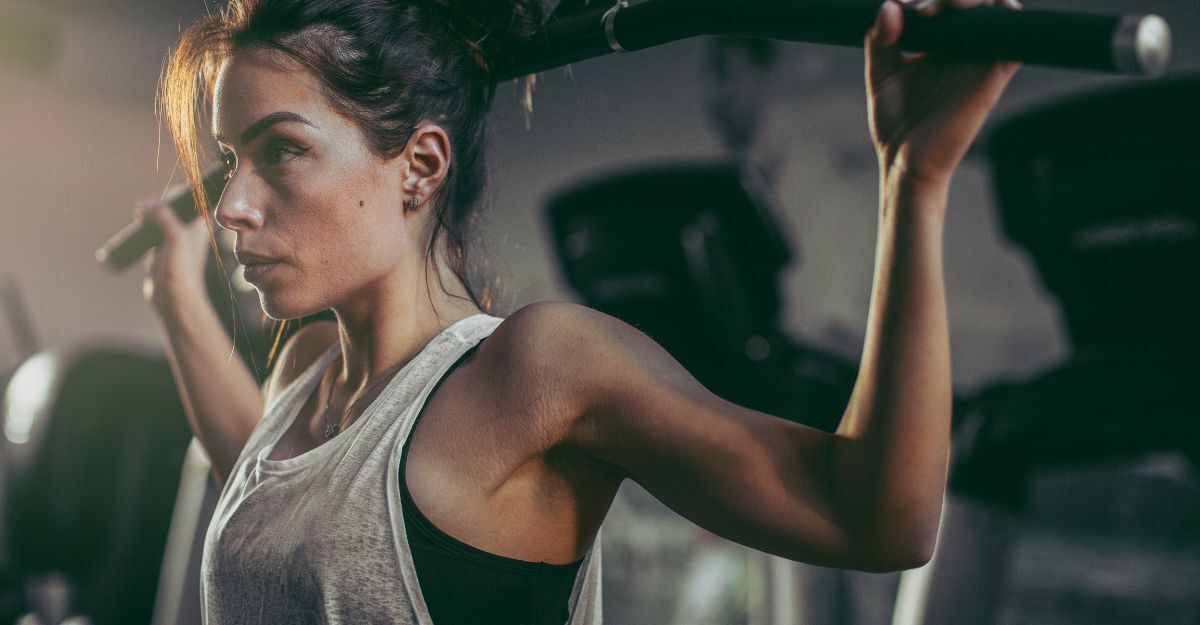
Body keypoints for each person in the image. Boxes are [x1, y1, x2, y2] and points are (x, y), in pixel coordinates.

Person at [135, 0, 1021, 622]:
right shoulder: (303, 376)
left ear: (420, 164)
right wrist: (176, 296)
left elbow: (880, 517)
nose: (232, 205)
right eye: (229, 162)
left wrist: (915, 177)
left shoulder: (534, 370)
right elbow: (271, 503)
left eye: (280, 151)